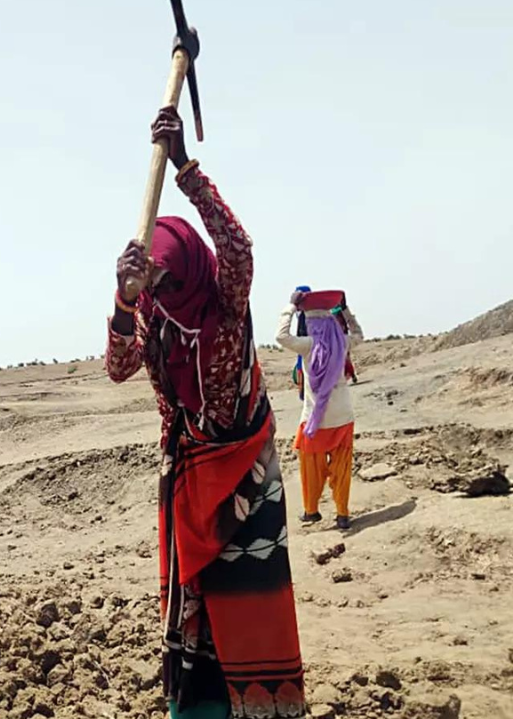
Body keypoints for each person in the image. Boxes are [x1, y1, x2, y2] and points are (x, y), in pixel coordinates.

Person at [106, 106, 305, 719]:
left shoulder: (225, 300)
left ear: (190, 265)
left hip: (247, 473)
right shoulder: (151, 313)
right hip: (189, 478)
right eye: (153, 282)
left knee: (248, 598)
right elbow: (117, 366)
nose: (162, 292)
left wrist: (185, 167)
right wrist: (124, 299)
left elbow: (238, 247)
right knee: (193, 603)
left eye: (167, 280)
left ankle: (262, 707)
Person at [276, 290, 364, 530]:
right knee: (342, 467)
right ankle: (342, 514)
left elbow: (281, 336)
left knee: (310, 467)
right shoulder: (342, 341)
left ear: (311, 325)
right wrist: (346, 310)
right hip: (343, 416)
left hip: (315, 419)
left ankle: (311, 511)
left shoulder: (308, 345)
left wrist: (290, 307)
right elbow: (359, 334)